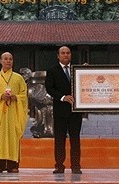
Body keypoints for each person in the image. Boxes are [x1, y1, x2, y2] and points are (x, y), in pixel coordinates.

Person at [0, 52, 28, 173]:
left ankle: (12, 164)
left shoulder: (18, 78)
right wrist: (0, 96)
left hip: (13, 112)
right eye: (5, 59)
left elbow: (24, 96)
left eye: (10, 59)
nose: (8, 61)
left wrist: (16, 97)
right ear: (0, 61)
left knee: (12, 137)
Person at [45, 46, 83, 174]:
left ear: (71, 55)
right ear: (58, 56)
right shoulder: (52, 70)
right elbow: (49, 88)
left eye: (68, 53)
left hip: (75, 111)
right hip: (60, 110)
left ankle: (76, 166)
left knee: (75, 139)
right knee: (60, 139)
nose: (66, 55)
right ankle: (59, 165)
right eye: (63, 53)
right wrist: (63, 97)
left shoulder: (78, 70)